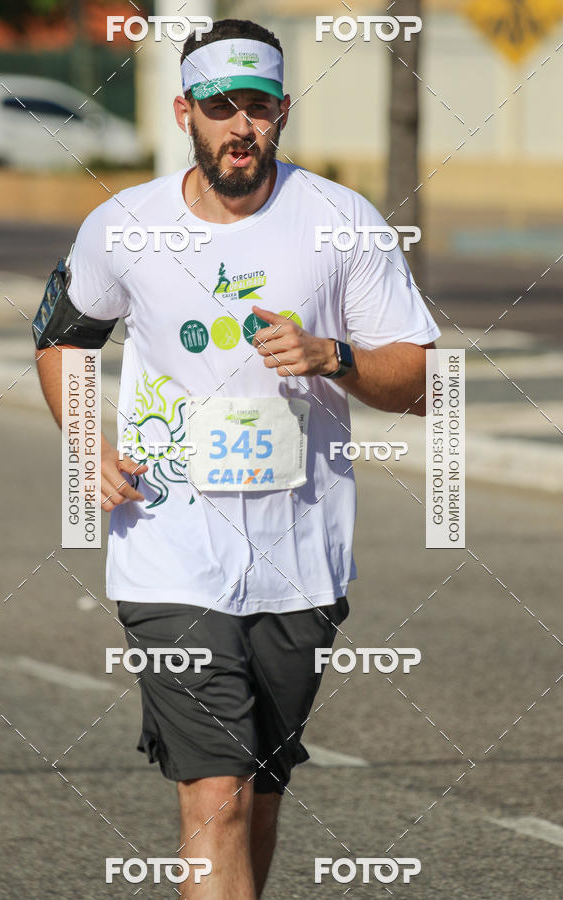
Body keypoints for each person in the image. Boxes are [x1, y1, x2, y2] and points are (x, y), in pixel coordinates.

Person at [34, 17, 440, 898]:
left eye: (257, 108)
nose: (240, 128)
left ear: (283, 111)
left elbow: (416, 381)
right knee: (214, 798)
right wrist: (83, 444)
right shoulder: (125, 224)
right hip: (169, 549)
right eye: (220, 108)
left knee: (257, 793)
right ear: (185, 110)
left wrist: (332, 355)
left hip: (301, 559)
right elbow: (61, 338)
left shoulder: (343, 221)